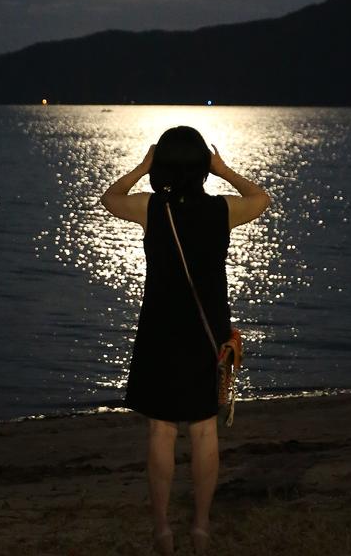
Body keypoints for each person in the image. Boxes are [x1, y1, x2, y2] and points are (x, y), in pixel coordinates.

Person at [100, 126, 271, 554]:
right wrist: (225, 169)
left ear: (163, 166)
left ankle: (162, 530)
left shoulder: (151, 208)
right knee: (203, 430)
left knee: (161, 429)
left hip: (160, 329)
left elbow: (109, 198)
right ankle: (200, 527)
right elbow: (262, 199)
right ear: (200, 165)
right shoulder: (222, 211)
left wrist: (142, 167)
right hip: (206, 331)